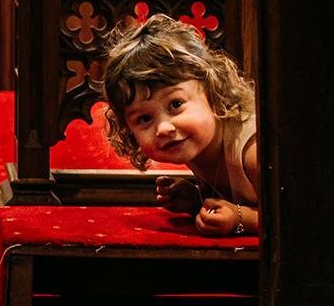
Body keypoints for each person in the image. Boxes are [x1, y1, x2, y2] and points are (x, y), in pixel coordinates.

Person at [99, 14, 259, 236]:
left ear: (213, 90)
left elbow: (306, 216)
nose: (164, 128)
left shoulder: (253, 151)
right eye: (144, 119)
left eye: (176, 104)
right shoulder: (198, 143)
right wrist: (196, 200)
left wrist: (242, 219)